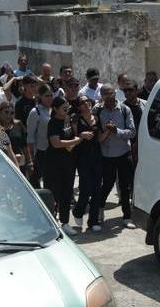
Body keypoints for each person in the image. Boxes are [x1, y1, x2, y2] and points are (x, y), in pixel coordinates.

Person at [94, 84, 137, 229]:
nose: (109, 96)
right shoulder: (98, 110)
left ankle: (127, 216)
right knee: (107, 184)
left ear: (115, 94)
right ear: (101, 96)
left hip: (124, 153)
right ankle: (100, 210)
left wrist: (117, 131)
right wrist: (105, 131)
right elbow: (95, 132)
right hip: (107, 155)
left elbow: (132, 132)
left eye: (111, 93)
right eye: (105, 94)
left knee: (125, 186)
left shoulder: (124, 110)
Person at [44, 97, 83, 235]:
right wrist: (75, 141)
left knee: (67, 193)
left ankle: (65, 222)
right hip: (54, 164)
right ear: (55, 109)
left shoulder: (68, 121)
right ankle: (50, 222)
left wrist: (75, 135)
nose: (66, 109)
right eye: (63, 107)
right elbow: (56, 143)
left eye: (67, 106)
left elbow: (73, 136)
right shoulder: (52, 123)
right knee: (54, 193)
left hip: (69, 163)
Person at [71, 96, 103, 232]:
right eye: (82, 102)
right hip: (82, 157)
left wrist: (108, 131)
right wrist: (81, 135)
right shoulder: (75, 119)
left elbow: (100, 138)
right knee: (86, 188)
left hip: (96, 156)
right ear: (79, 107)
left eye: (87, 101)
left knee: (97, 189)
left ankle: (93, 221)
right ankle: (78, 211)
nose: (86, 103)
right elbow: (71, 137)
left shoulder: (97, 117)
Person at [26, 83, 54, 188]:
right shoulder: (35, 112)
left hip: (55, 149)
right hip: (41, 152)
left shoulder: (54, 110)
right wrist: (32, 157)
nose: (49, 98)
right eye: (46, 96)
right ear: (40, 96)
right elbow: (30, 136)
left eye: (51, 95)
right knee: (43, 180)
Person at [0, 100, 28, 178]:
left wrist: (30, 161)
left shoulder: (18, 124)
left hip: (20, 163)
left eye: (12, 113)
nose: (9, 115)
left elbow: (25, 145)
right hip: (3, 164)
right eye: (6, 112)